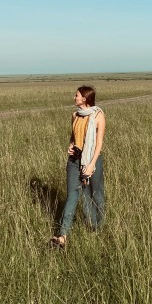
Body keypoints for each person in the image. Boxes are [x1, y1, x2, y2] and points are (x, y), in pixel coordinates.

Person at [50, 85, 106, 249]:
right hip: (74, 160)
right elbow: (73, 137)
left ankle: (97, 227)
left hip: (93, 160)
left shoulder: (98, 115)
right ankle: (62, 236)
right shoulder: (75, 115)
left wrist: (91, 165)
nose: (74, 97)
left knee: (95, 195)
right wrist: (70, 146)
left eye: (77, 95)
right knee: (73, 195)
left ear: (85, 98)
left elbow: (99, 143)